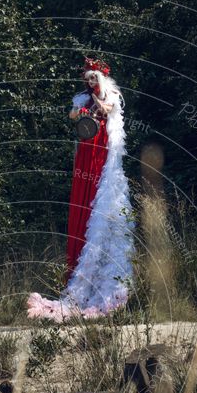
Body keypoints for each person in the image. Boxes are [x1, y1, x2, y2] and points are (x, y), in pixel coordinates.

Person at [27, 57, 134, 321]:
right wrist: (82, 109)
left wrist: (98, 98)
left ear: (102, 78)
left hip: (101, 156)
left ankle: (102, 288)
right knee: (82, 204)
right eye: (86, 78)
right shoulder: (81, 100)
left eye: (93, 78)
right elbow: (73, 116)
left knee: (99, 204)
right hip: (86, 153)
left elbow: (108, 109)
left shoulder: (112, 95)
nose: (89, 82)